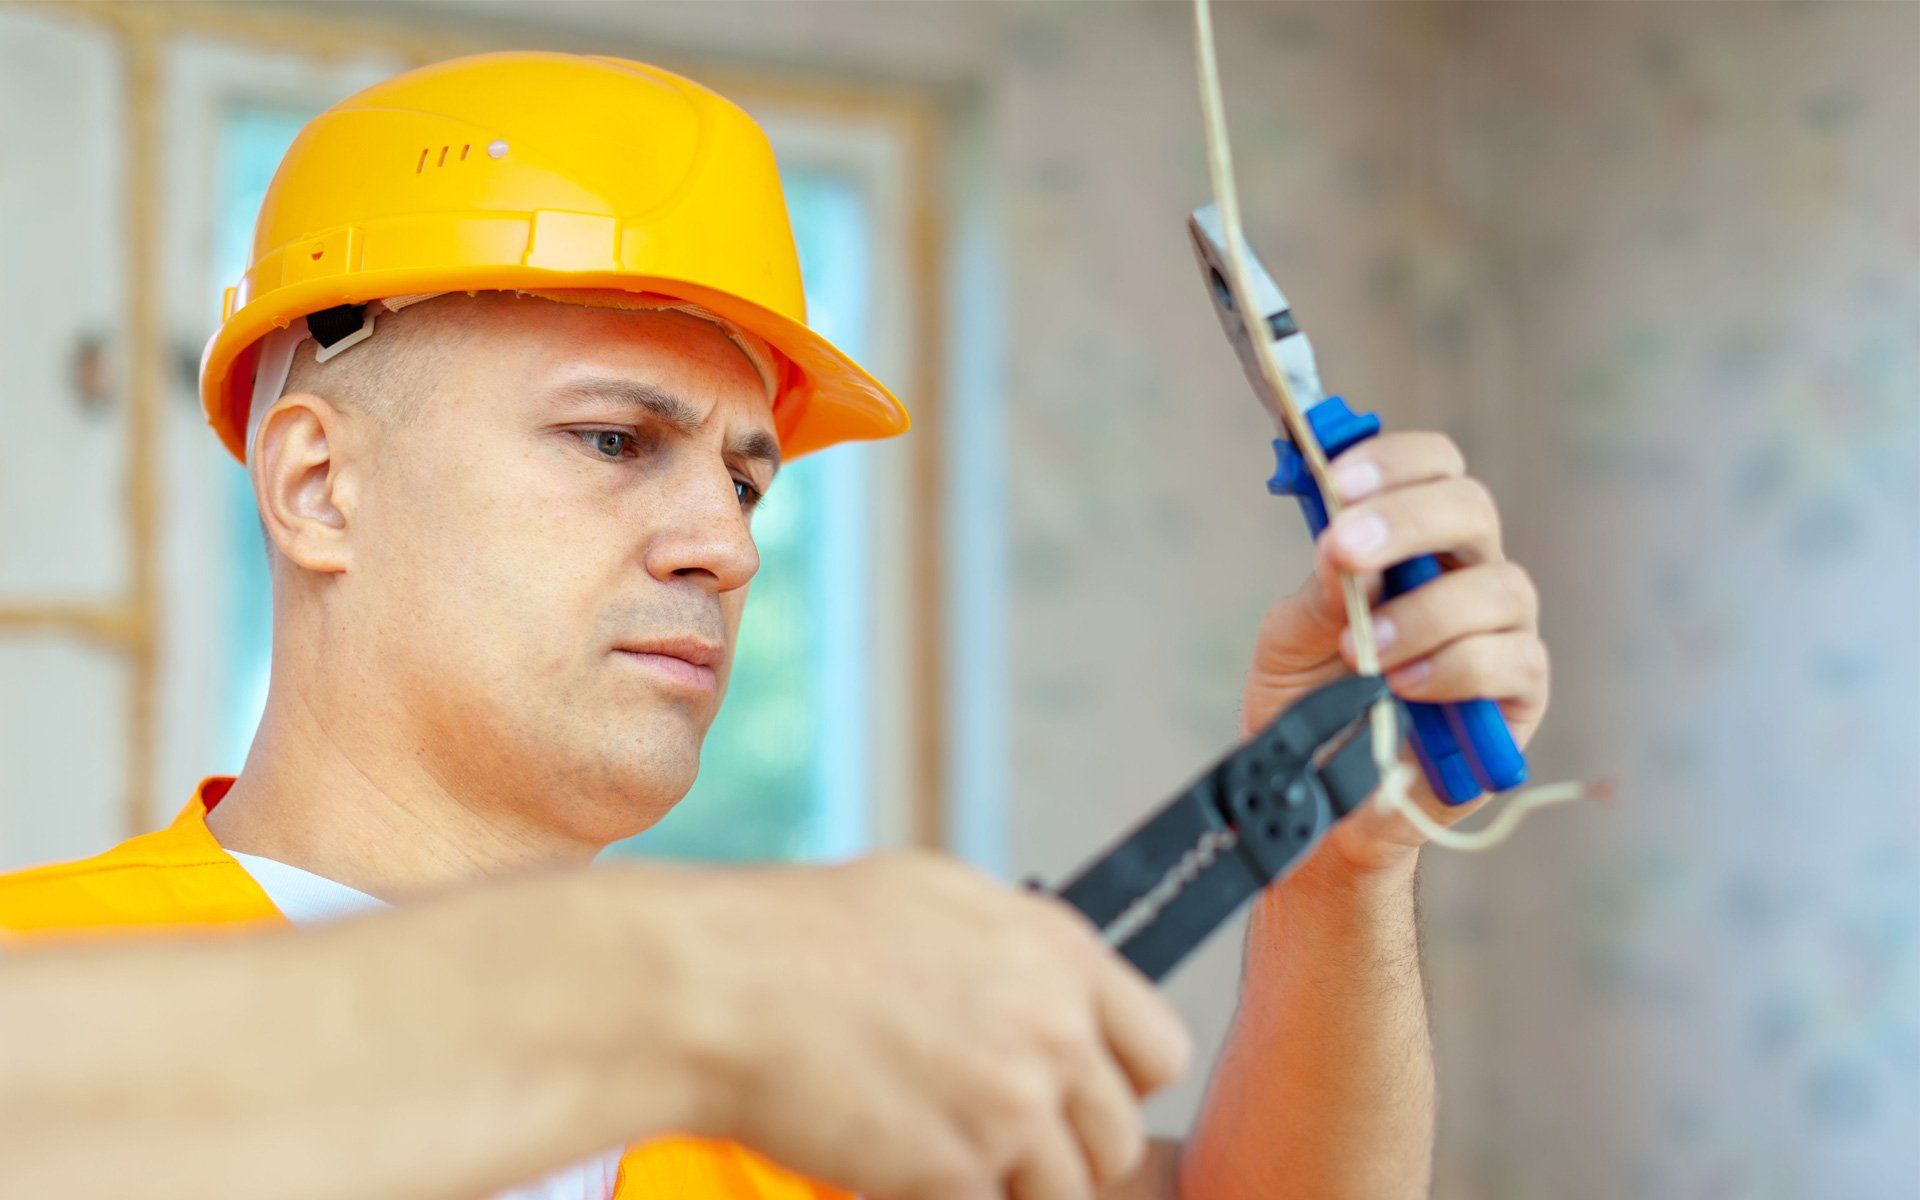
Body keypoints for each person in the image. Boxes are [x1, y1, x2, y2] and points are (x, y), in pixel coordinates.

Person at [0, 52, 1551, 1200]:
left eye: (749, 479)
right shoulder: (49, 981)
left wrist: (1345, 845)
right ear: (319, 486)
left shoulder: (790, 1110)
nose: (726, 545)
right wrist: (704, 984)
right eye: (614, 440)